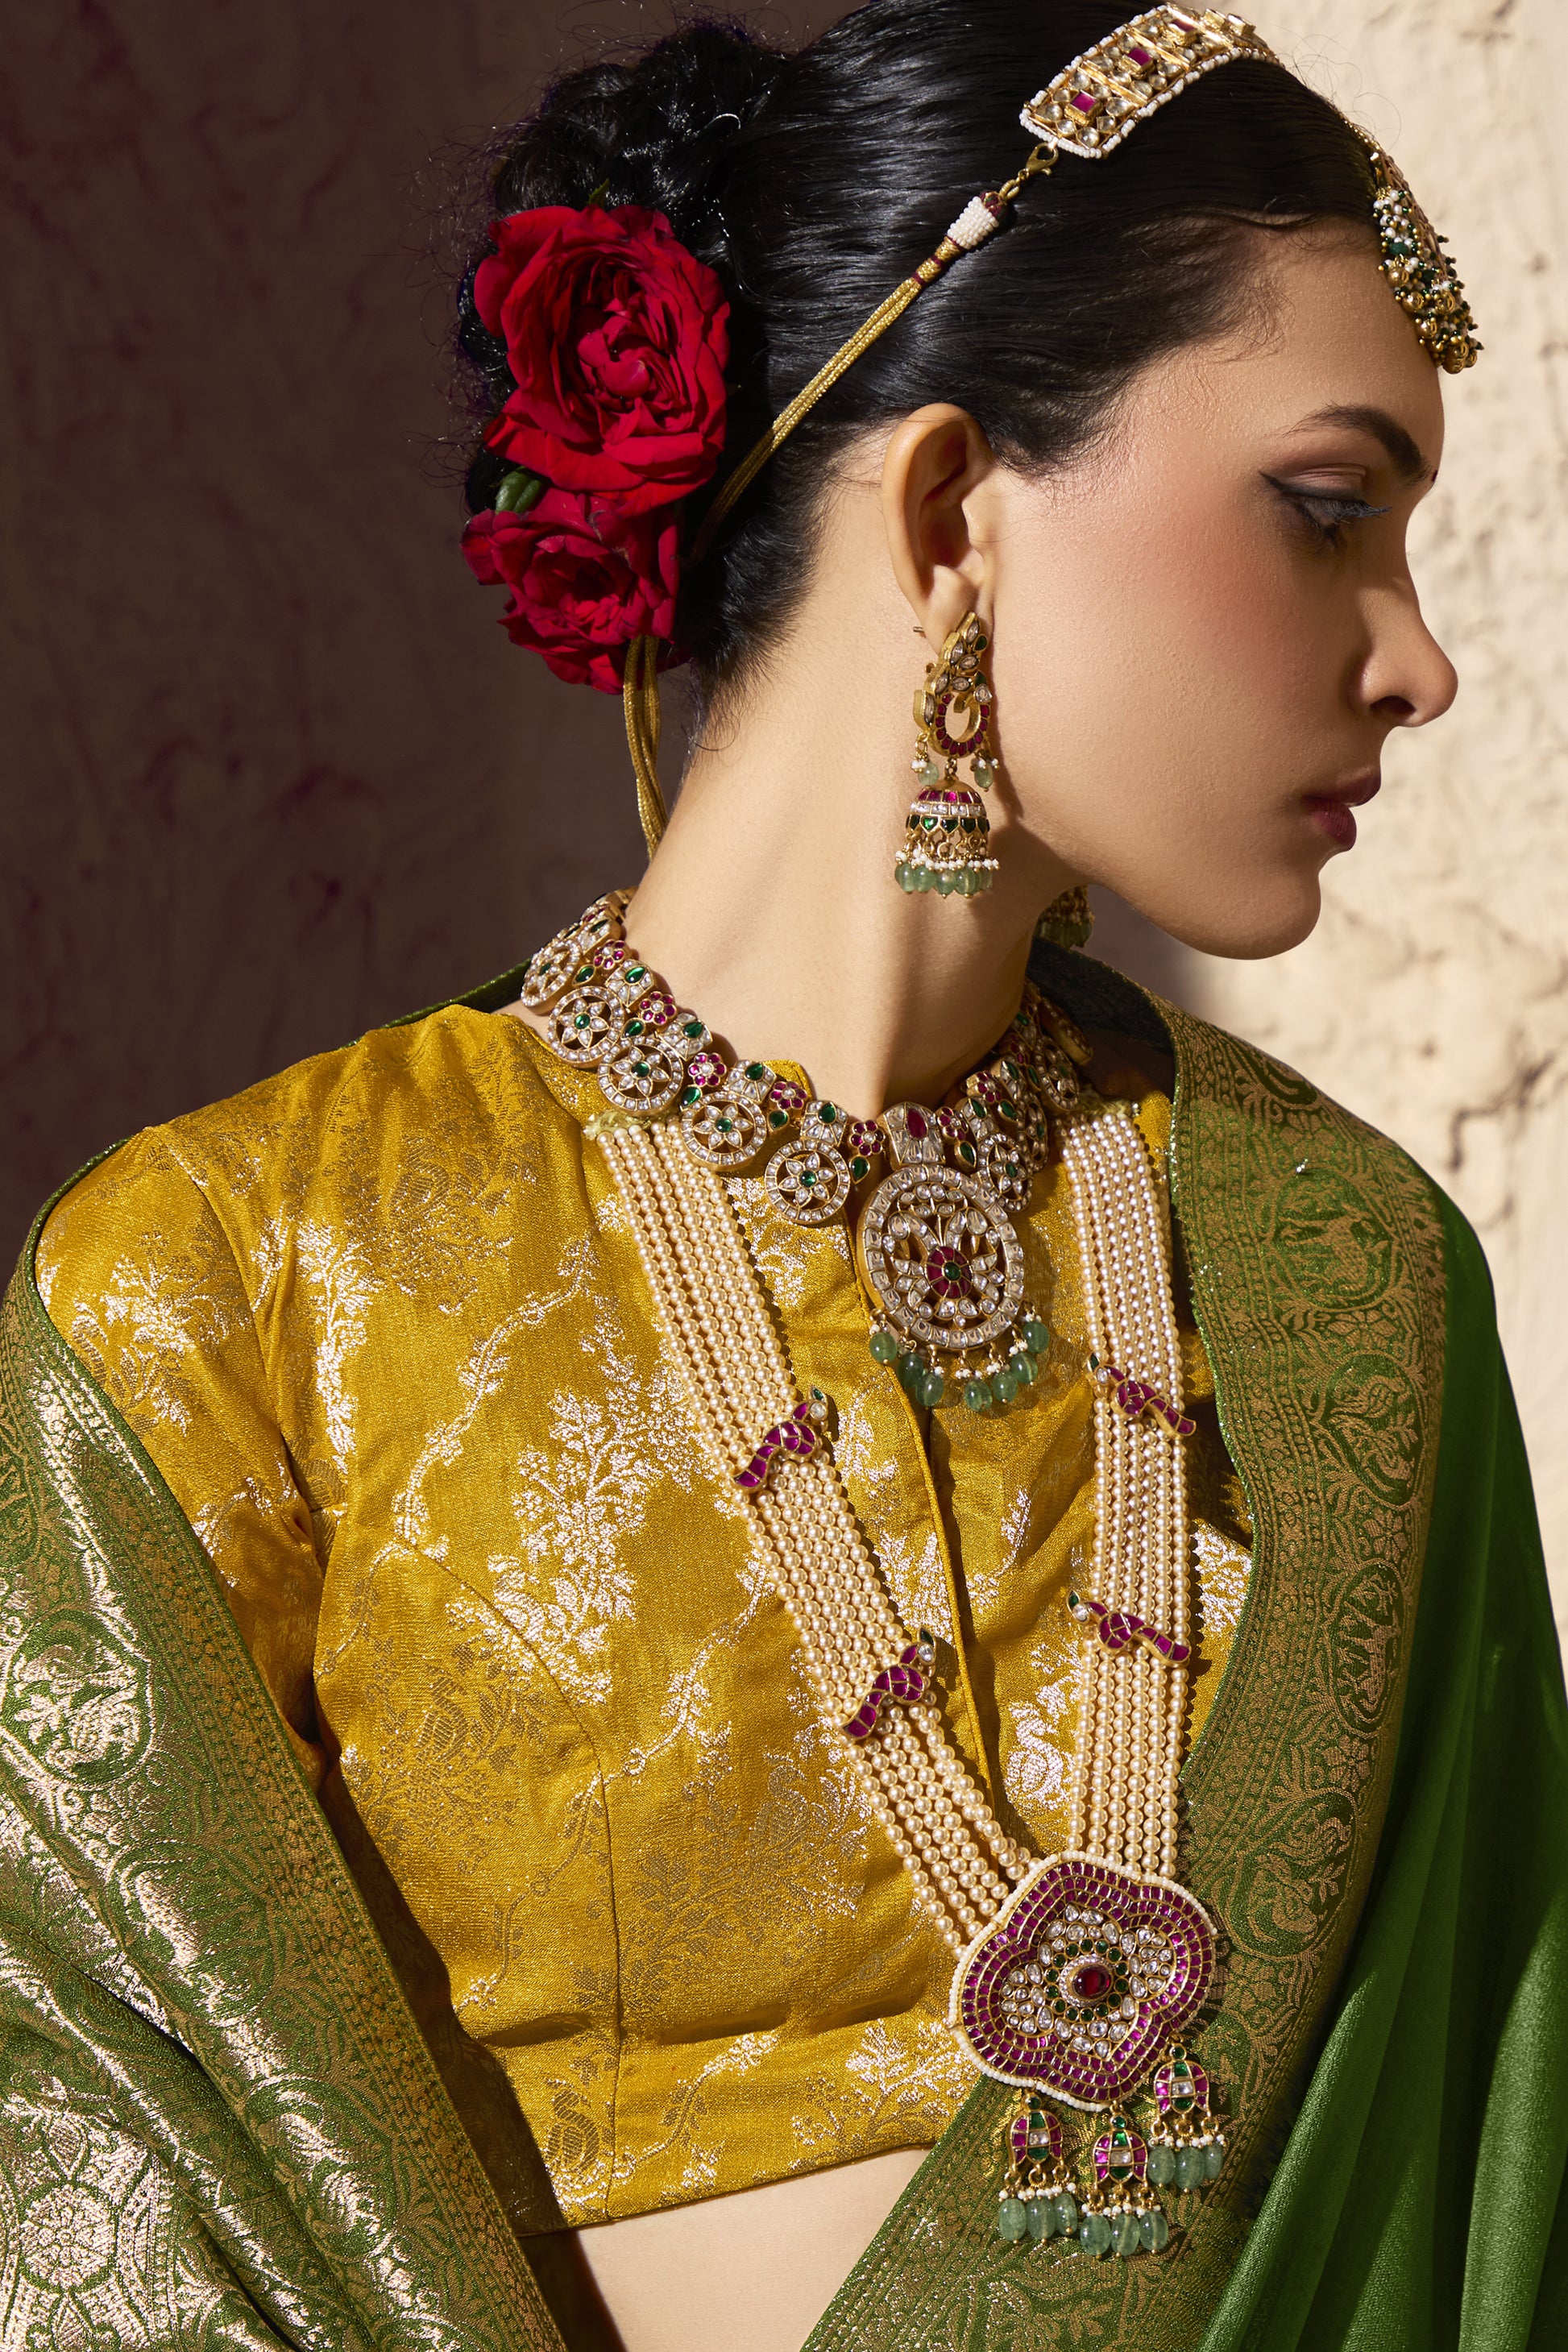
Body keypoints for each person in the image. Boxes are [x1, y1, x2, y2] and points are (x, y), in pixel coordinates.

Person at [3, 6, 1562, 2349]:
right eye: (1324, 507)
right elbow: (128, 2212)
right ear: (947, 515)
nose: (1420, 665)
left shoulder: (1346, 1285)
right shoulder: (233, 1290)